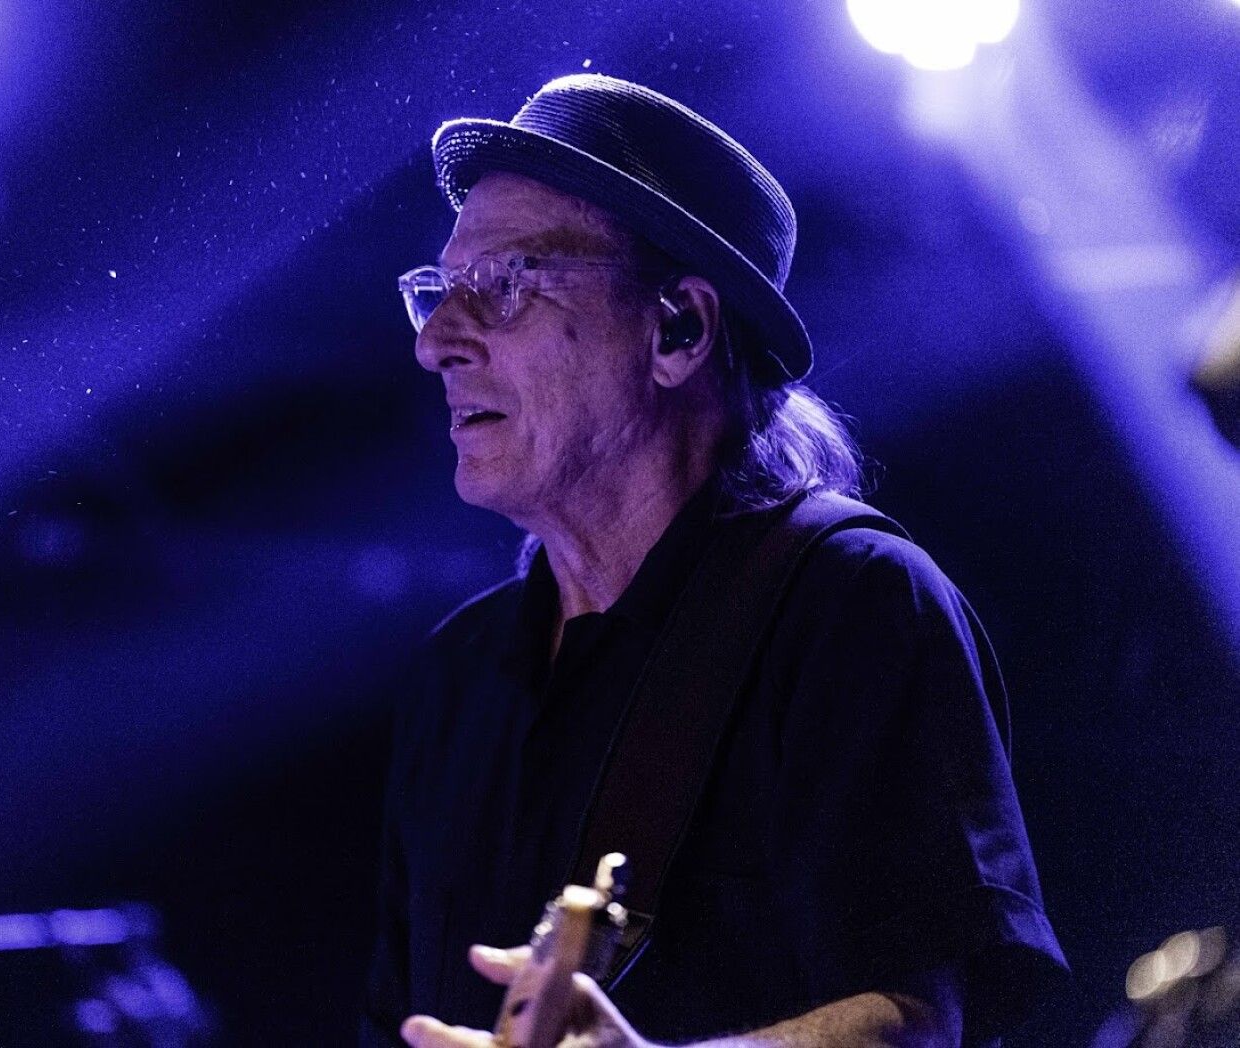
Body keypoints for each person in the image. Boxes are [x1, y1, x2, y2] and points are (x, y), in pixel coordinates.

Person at [363, 74, 1067, 1048]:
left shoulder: (849, 602)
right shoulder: (459, 675)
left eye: (508, 282)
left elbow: (912, 1022)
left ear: (680, 328)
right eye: (440, 292)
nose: (437, 341)